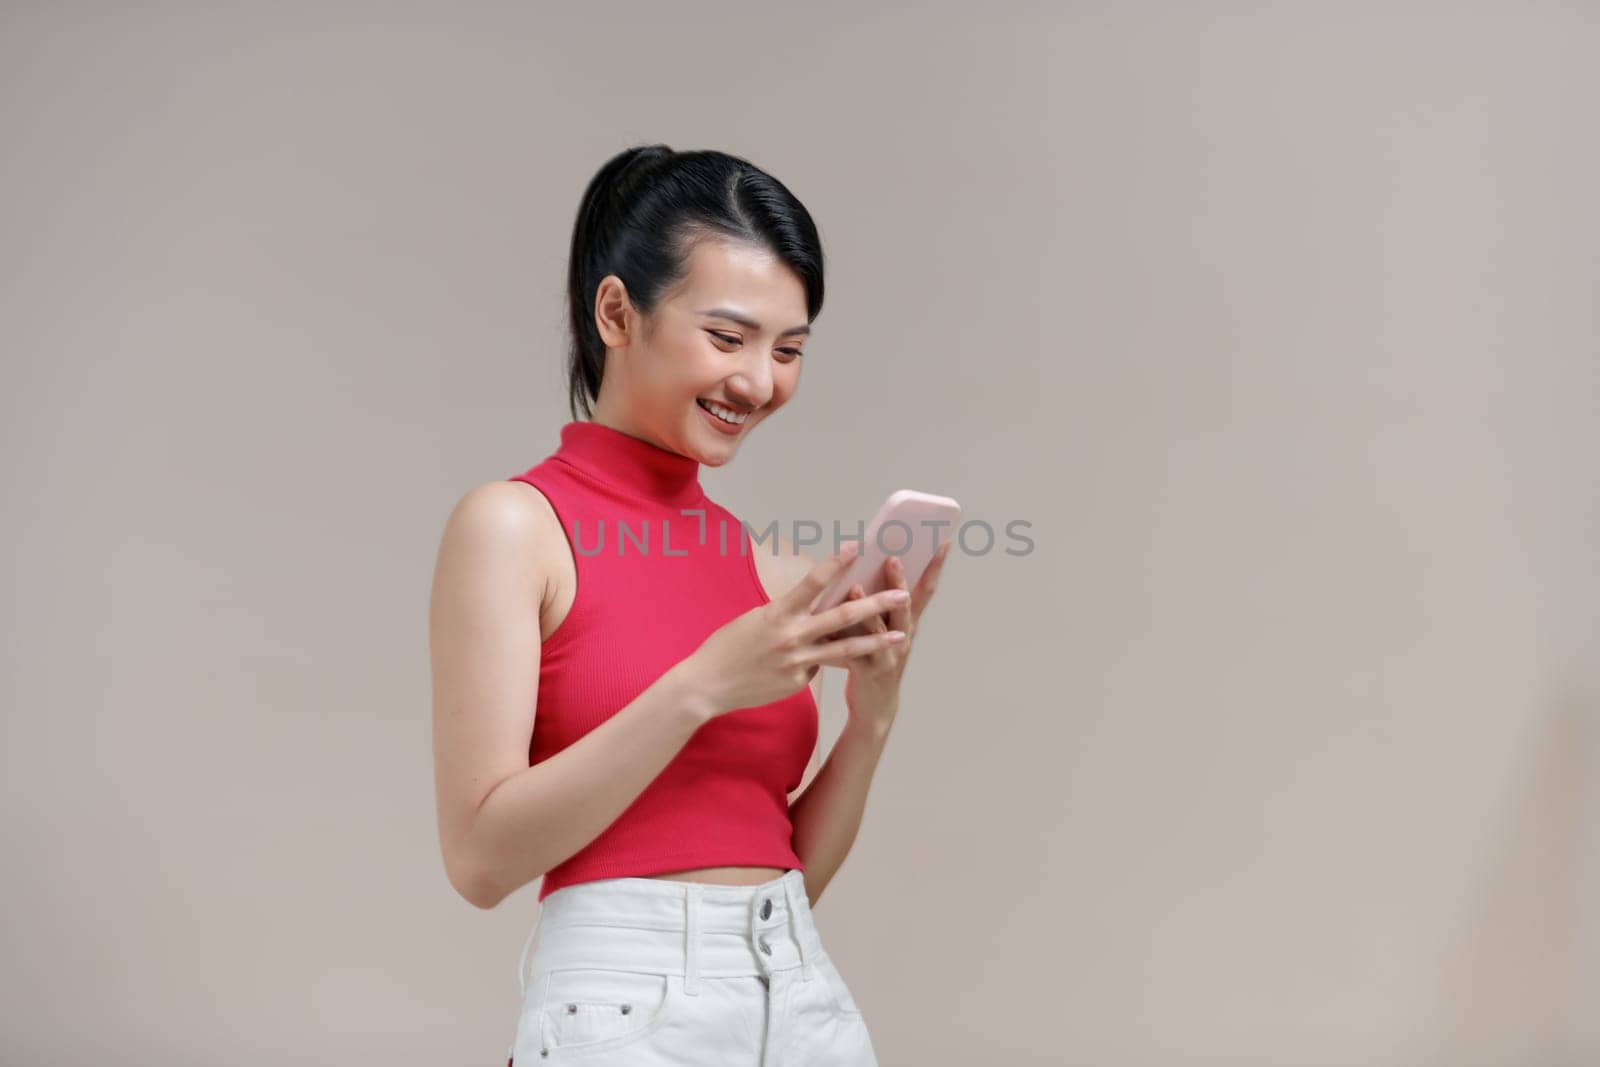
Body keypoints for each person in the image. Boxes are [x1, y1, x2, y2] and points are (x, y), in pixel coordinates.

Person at [428, 144, 951, 1065]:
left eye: (788, 350)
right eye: (728, 337)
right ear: (617, 312)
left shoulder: (776, 575)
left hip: (800, 997)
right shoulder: (514, 527)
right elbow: (479, 859)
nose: (758, 382)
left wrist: (870, 720)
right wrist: (704, 684)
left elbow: (782, 867)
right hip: (623, 1006)